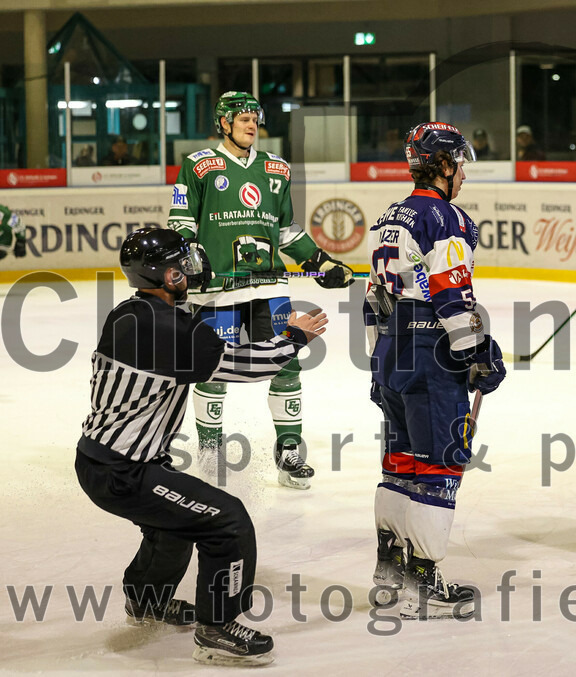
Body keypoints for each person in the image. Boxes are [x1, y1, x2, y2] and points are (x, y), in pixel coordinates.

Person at [75, 227, 328, 665]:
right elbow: (250, 366)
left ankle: (147, 601)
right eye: (182, 265)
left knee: (175, 524)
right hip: (124, 471)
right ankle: (217, 629)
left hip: (103, 459)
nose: (192, 268)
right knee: (227, 521)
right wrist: (294, 336)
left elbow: (192, 340)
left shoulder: (131, 312)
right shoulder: (166, 328)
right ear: (163, 275)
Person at [167, 91, 355, 490]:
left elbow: (286, 231)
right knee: (212, 369)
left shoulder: (277, 169)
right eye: (243, 119)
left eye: (255, 118)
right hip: (217, 290)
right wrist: (190, 260)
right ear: (224, 123)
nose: (251, 125)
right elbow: (181, 223)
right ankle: (210, 453)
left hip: (269, 286)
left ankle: (288, 453)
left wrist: (320, 261)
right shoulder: (198, 166)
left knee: (287, 361)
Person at [365, 122, 505, 618]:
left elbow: (373, 299)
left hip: (392, 351)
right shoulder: (447, 217)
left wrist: (379, 364)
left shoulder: (389, 216)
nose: (463, 173)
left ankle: (390, 569)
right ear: (443, 164)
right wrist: (478, 353)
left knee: (400, 462)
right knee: (440, 465)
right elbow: (451, 293)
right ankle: (422, 585)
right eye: (459, 163)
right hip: (430, 353)